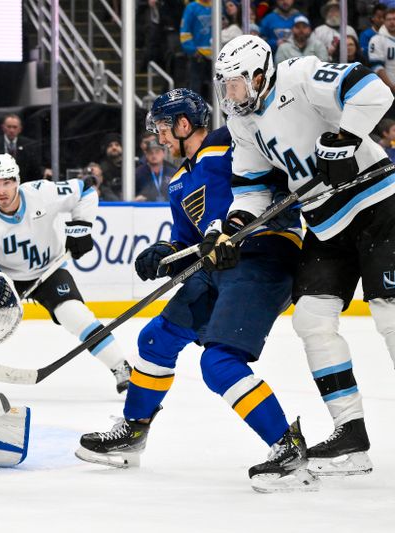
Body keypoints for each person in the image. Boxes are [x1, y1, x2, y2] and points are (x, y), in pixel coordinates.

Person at [77, 88, 309, 492]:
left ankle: (286, 445)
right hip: (216, 268)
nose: (160, 138)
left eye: (164, 128)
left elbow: (280, 176)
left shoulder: (230, 140)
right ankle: (134, 431)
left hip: (263, 256)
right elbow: (189, 244)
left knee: (218, 364)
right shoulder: (179, 182)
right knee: (155, 340)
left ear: (185, 124)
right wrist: (164, 253)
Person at [213, 34, 395, 477]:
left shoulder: (301, 74)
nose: (230, 95)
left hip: (376, 203)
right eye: (225, 86)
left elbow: (375, 91)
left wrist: (344, 138)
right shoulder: (244, 124)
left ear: (260, 74)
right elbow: (252, 190)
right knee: (311, 319)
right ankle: (350, 434)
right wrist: (234, 227)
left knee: (390, 313)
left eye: (236, 84)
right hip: (326, 222)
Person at [0, 153, 132, 393]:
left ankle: (120, 367)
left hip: (50, 270)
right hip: (9, 279)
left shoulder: (41, 193)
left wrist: (81, 228)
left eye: (6, 182)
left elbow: (87, 190)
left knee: (75, 314)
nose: (2, 191)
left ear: (17, 181)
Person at [0, 114, 44, 183]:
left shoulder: (29, 145)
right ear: (3, 127)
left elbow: (35, 171)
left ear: (20, 129)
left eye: (15, 127)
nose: (11, 130)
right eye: (9, 127)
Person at [179, 0, 212, 98]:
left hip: (216, 56)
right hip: (198, 56)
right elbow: (185, 32)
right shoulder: (191, 7)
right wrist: (193, 50)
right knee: (196, 88)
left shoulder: (217, 7)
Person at [369, 9, 395, 94]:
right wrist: (391, 87)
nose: (392, 22)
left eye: (394, 19)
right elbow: (377, 67)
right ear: (384, 21)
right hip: (387, 89)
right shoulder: (376, 40)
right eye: (389, 19)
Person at [99, 132, 123, 197]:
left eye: (117, 145)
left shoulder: (131, 166)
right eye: (110, 146)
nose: (114, 148)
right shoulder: (101, 169)